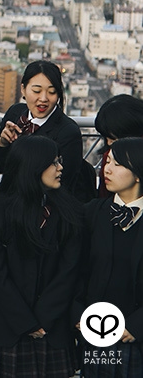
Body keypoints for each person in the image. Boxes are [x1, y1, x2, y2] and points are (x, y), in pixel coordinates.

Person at [0, 136, 81, 378]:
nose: (60, 168)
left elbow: (69, 270)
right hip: (6, 325)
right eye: (53, 163)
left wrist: (42, 319)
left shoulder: (67, 209)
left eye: (59, 161)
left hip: (52, 326)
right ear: (32, 166)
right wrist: (27, 322)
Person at [77, 136, 143, 377]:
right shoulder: (92, 213)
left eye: (117, 164)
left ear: (138, 173)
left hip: (137, 336)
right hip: (95, 329)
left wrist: (136, 326)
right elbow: (75, 269)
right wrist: (79, 314)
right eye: (108, 162)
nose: (107, 169)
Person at [0, 61, 91, 201]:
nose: (44, 99)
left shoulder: (68, 132)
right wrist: (2, 143)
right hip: (9, 201)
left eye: (52, 92)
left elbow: (64, 185)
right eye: (36, 91)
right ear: (23, 89)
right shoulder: (15, 114)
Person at [91, 94, 143, 198]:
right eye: (106, 138)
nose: (109, 143)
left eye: (113, 138)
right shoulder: (109, 155)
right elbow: (104, 196)